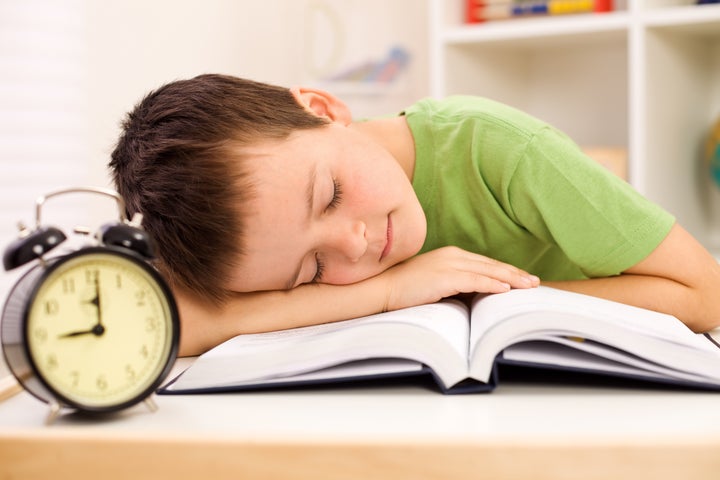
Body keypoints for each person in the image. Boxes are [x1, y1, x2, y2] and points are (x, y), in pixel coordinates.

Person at [110, 74, 720, 356]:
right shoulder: (287, 237)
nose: (354, 246)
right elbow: (167, 321)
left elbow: (703, 292)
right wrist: (394, 292)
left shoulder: (497, 148)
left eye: (331, 196)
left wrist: (482, 300)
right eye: (313, 270)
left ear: (324, 108)